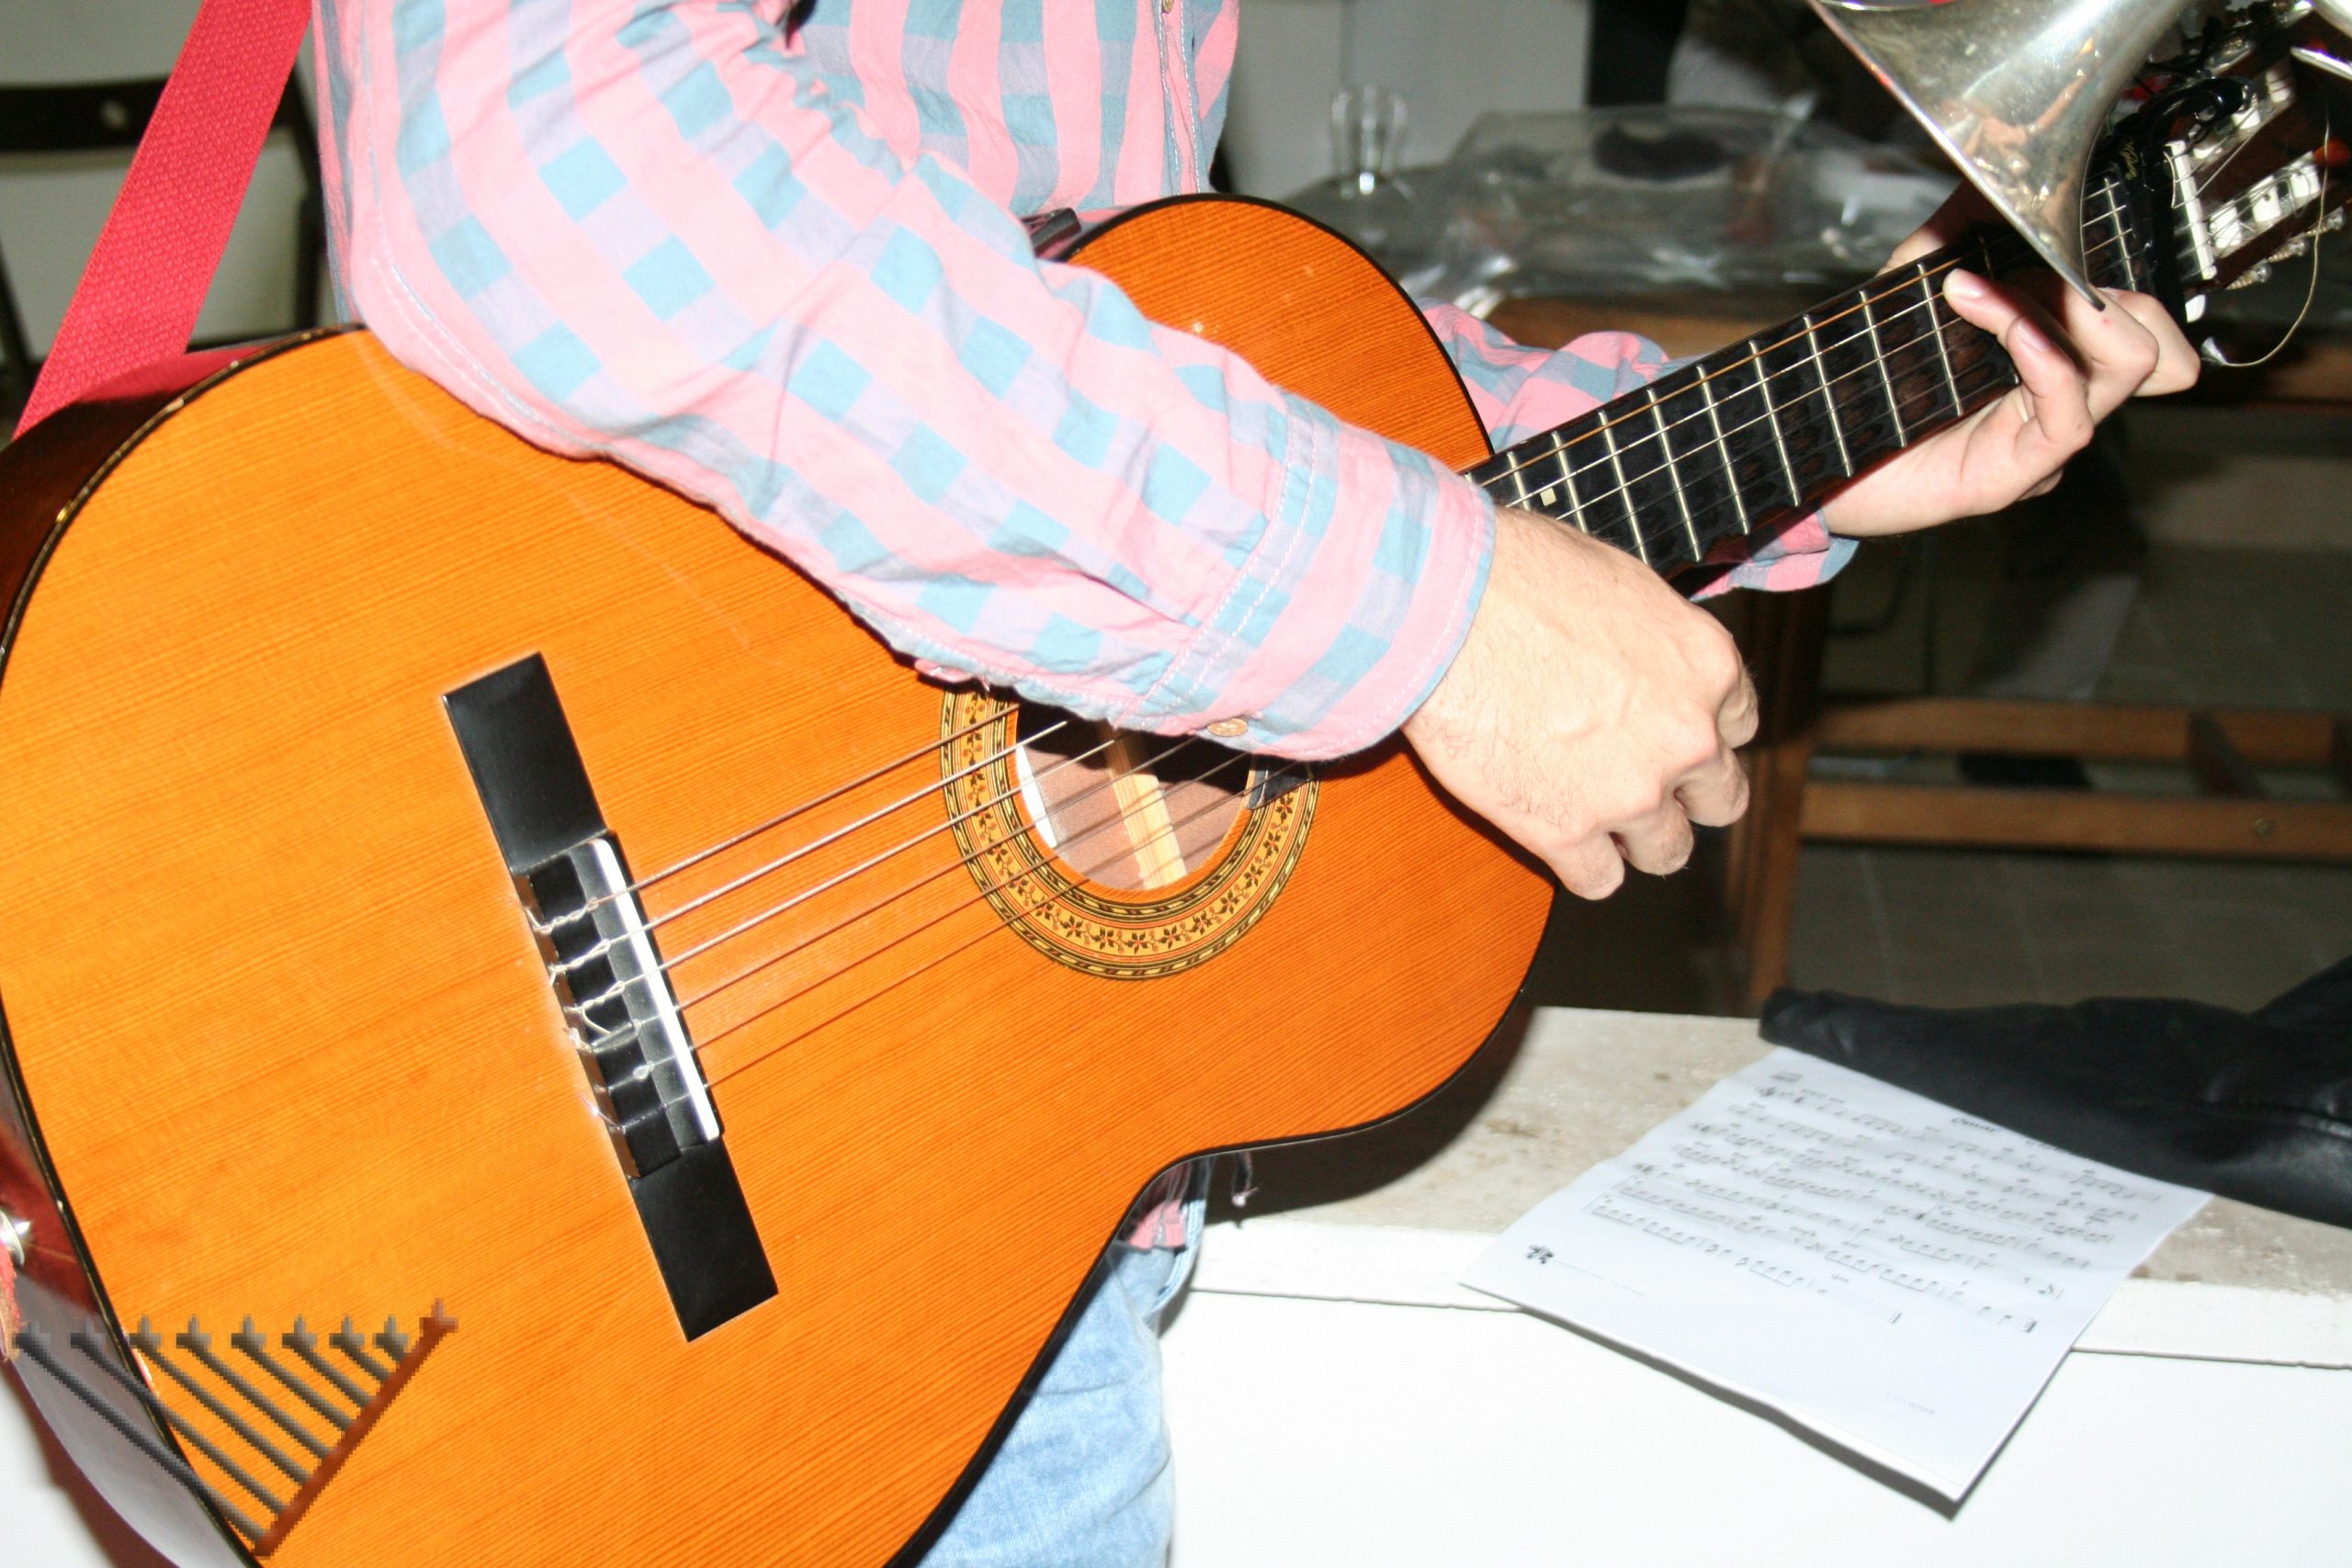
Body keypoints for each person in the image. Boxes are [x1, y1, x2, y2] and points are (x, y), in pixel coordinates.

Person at [306, 2, 2200, 1562]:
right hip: (656, 1129)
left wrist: (1803, 434)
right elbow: (547, 157)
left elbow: (1136, 335)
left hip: (912, 1207)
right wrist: (1429, 605)